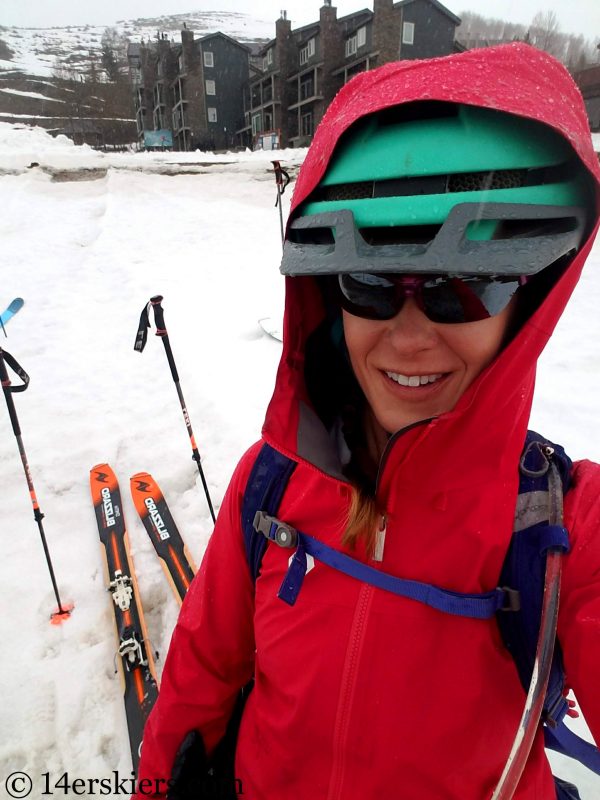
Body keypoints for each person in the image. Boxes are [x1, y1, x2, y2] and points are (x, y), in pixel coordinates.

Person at [134, 43, 600, 800]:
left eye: (465, 290)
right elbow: (203, 673)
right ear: (328, 290)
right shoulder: (272, 484)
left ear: (526, 303)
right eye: (371, 284)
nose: (409, 337)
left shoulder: (561, 532)